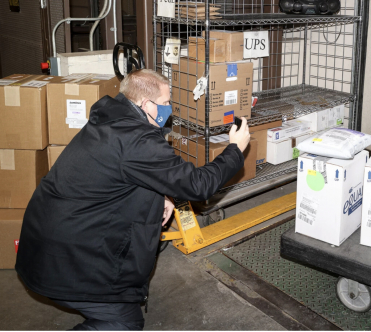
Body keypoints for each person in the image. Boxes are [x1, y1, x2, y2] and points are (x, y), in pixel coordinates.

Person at [15, 69, 251, 330]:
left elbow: (123, 173)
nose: (169, 109)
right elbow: (197, 186)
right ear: (146, 104)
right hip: (64, 258)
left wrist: (163, 193)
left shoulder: (113, 121)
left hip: (49, 237)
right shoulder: (136, 140)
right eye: (165, 103)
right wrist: (235, 150)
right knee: (124, 324)